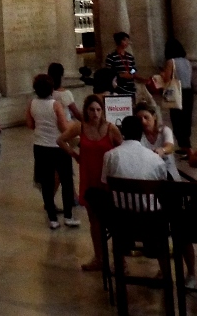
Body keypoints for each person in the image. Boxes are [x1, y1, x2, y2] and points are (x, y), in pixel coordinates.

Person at [63, 93, 122, 272]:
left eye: (98, 109)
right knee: (94, 221)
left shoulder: (111, 129)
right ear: (86, 111)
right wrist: (75, 155)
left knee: (115, 221)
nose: (95, 113)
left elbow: (122, 147)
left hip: (108, 178)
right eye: (91, 110)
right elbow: (61, 140)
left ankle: (121, 261)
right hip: (89, 178)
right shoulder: (80, 128)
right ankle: (99, 258)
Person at [26, 73, 78, 230]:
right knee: (66, 180)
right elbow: (63, 127)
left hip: (40, 146)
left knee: (47, 182)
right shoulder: (55, 105)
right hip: (58, 147)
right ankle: (68, 216)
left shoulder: (32, 103)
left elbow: (30, 124)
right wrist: (73, 126)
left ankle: (52, 218)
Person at [102, 114, 181, 182]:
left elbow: (105, 181)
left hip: (119, 200)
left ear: (122, 132)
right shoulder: (155, 159)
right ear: (141, 133)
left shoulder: (109, 156)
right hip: (149, 199)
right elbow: (163, 181)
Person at [159, 37, 193, 153]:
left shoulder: (171, 62)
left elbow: (167, 79)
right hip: (188, 92)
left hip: (177, 93)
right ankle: (187, 144)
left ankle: (184, 146)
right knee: (187, 118)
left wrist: (162, 74)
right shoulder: (187, 62)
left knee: (177, 119)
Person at [102, 32, 139, 98]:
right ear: (119, 41)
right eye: (125, 40)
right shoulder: (111, 56)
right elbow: (108, 72)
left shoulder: (130, 56)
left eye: (128, 40)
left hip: (131, 87)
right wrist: (121, 75)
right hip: (118, 88)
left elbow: (134, 68)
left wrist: (130, 73)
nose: (127, 42)